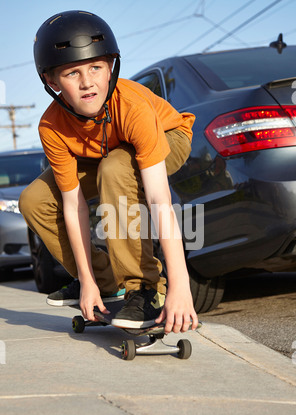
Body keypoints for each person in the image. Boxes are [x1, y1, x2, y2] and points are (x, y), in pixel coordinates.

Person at [19, 10, 198, 334]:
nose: (87, 82)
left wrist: (180, 284)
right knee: (34, 199)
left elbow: (159, 198)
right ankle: (104, 281)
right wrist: (86, 281)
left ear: (111, 66)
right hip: (101, 152)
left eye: (96, 68)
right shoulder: (52, 126)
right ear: (52, 81)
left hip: (169, 135)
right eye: (72, 73)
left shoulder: (131, 106)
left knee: (115, 167)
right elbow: (73, 206)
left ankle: (143, 288)